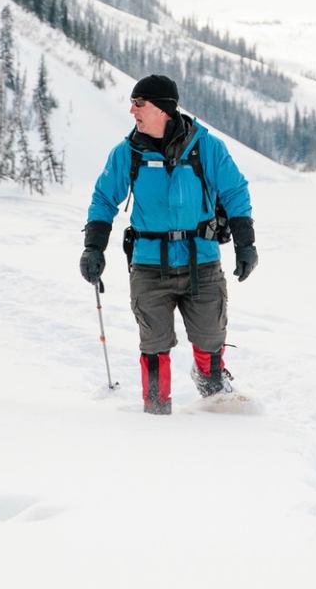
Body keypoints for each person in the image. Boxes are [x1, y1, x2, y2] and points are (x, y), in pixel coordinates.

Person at [80, 73, 257, 415]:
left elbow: (235, 191)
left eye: (139, 103)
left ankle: (215, 401)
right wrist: (93, 247)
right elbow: (103, 199)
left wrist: (245, 243)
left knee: (210, 341)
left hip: (201, 262)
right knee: (154, 345)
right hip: (149, 265)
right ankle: (156, 414)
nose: (132, 110)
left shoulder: (206, 147)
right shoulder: (126, 153)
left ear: (163, 109)